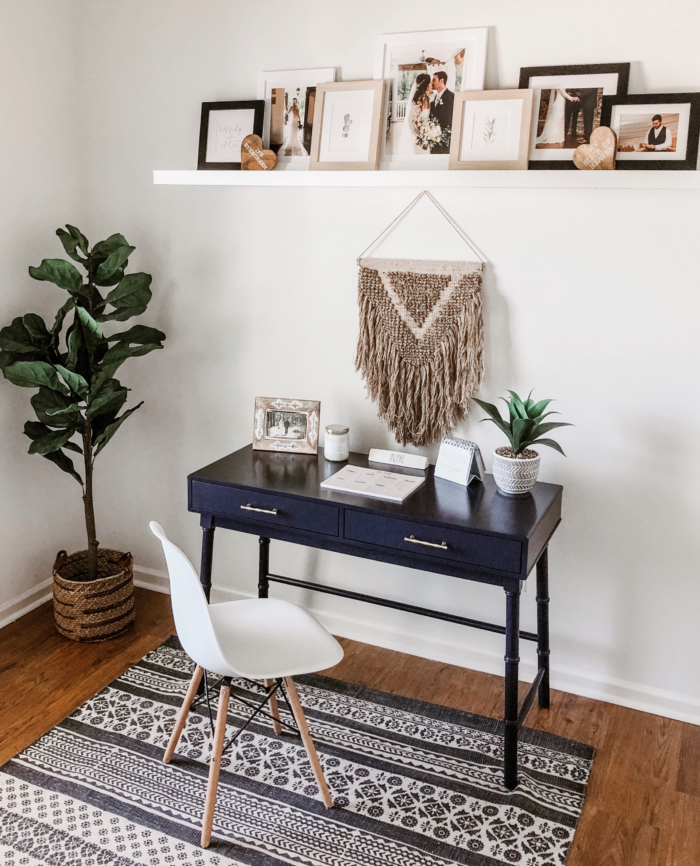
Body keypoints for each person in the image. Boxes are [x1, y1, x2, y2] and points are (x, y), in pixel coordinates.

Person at [398, 72, 432, 155]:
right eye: (430, 82)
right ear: (426, 84)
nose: (431, 84)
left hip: (427, 139)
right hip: (419, 141)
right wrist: (421, 136)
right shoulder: (419, 100)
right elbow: (410, 122)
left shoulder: (426, 97)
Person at [429, 70, 454, 153]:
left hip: (445, 140)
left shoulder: (451, 97)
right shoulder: (433, 97)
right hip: (433, 138)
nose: (431, 82)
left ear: (441, 81)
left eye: (434, 80)